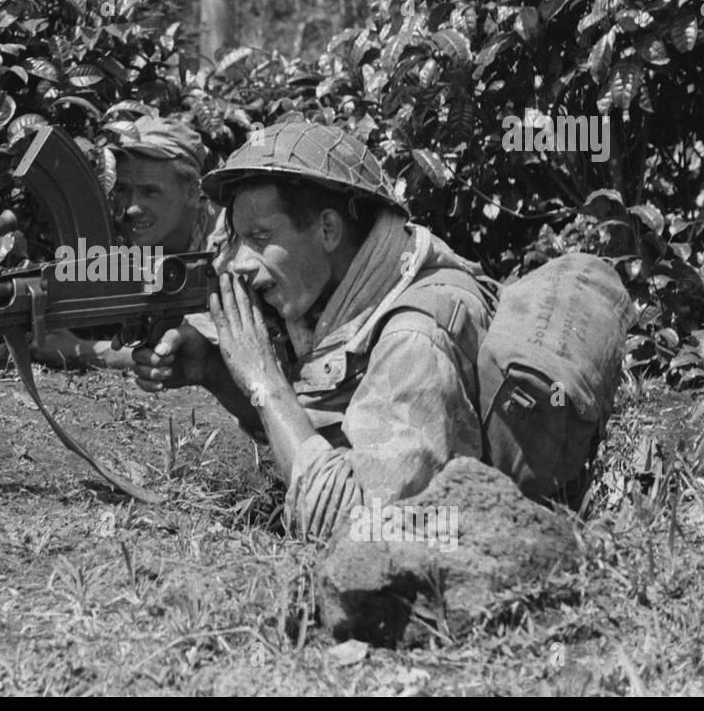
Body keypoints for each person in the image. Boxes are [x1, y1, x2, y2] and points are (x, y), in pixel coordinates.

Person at [131, 120, 497, 543]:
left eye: (260, 237)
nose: (235, 264)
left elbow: (359, 530)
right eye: (235, 240)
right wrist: (214, 370)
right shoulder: (348, 299)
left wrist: (264, 380)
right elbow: (322, 433)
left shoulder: (414, 339)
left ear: (327, 230)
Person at [30, 115, 226, 370]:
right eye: (123, 189)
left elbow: (208, 349)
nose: (132, 208)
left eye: (150, 192)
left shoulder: (227, 240)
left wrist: (84, 351)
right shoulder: (130, 236)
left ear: (191, 191)